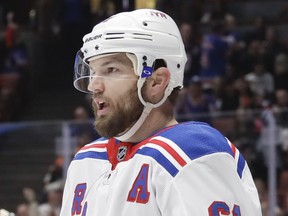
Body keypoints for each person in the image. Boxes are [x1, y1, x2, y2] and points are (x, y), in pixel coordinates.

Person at [60, 9, 262, 215]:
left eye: (111, 69)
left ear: (156, 82)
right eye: (93, 72)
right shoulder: (85, 161)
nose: (94, 85)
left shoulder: (190, 154)